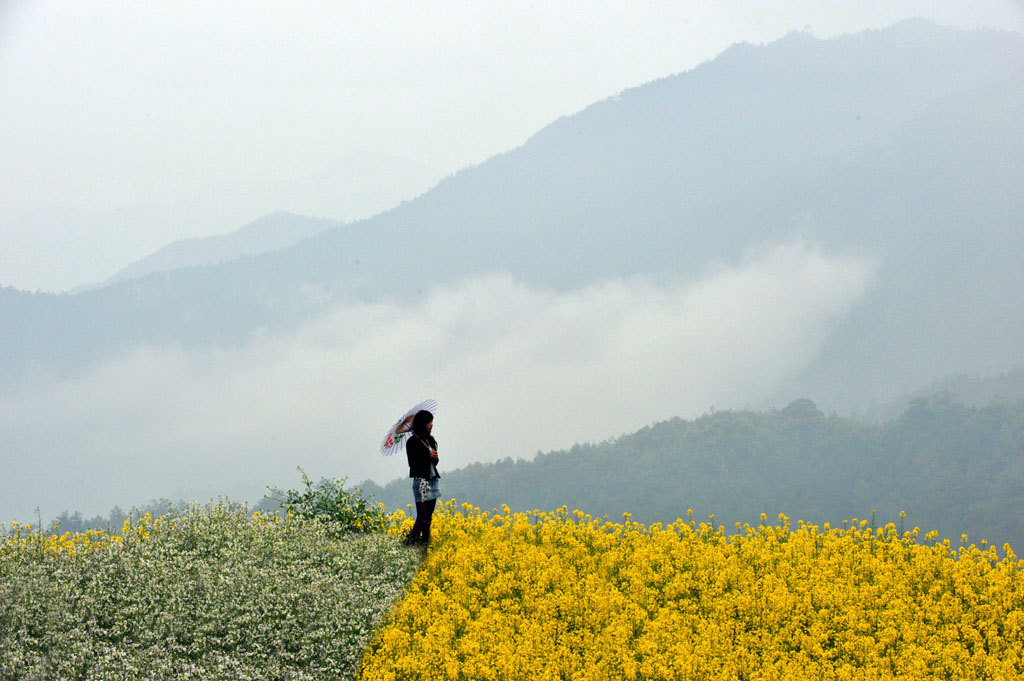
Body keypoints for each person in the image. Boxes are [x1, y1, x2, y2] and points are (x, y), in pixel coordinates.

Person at [404, 409, 440, 546]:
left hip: (432, 479)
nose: (431, 425)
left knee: (428, 517)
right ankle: (410, 543)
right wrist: (427, 456)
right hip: (421, 481)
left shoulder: (430, 440)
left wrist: (435, 459)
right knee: (422, 515)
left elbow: (434, 463)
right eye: (429, 422)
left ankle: (424, 544)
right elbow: (412, 464)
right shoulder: (412, 442)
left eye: (432, 422)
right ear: (422, 423)